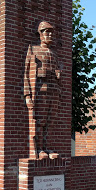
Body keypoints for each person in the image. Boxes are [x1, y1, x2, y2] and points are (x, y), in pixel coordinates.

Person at [24, 21, 61, 159]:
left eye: (51, 32)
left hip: (54, 91)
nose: (50, 35)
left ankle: (48, 148)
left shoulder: (54, 54)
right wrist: (27, 95)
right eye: (47, 32)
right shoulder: (33, 50)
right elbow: (27, 73)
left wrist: (58, 74)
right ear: (40, 34)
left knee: (50, 121)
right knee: (40, 121)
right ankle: (39, 149)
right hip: (41, 91)